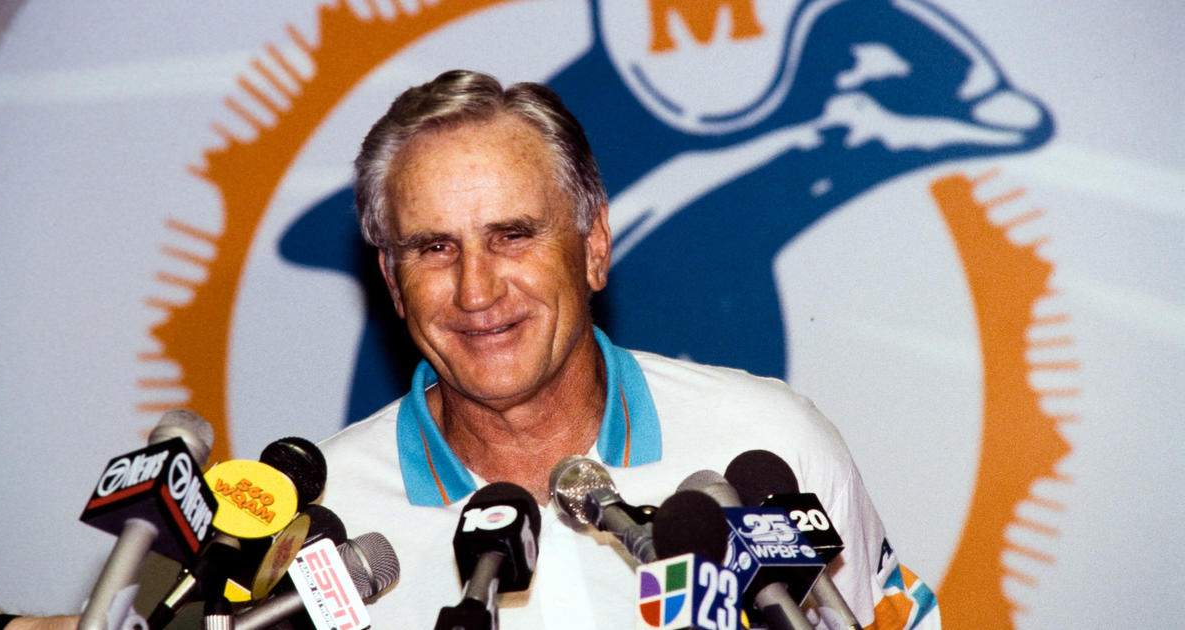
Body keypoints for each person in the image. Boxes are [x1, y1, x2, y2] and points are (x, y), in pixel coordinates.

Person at [317, 69, 939, 629]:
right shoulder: (325, 525)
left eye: (512, 236)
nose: (475, 291)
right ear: (394, 283)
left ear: (594, 247)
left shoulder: (771, 446)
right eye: (434, 248)